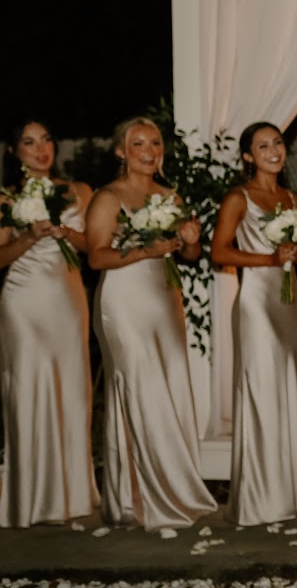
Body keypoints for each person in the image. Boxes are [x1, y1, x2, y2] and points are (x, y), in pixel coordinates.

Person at [85, 116, 216, 529]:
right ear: (121, 151)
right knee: (139, 388)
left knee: (170, 386)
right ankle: (135, 499)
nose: (148, 151)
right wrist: (144, 251)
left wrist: (191, 241)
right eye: (138, 143)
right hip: (124, 302)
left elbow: (187, 256)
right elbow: (96, 257)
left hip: (165, 299)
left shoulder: (170, 197)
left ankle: (176, 487)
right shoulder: (108, 197)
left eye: (155, 143)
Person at [211, 122, 297, 527]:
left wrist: (295, 254)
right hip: (256, 301)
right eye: (263, 146)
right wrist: (269, 259)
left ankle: (291, 493)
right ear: (248, 156)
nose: (274, 151)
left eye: (278, 143)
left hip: (290, 301)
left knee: (288, 389)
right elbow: (220, 252)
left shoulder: (294, 198)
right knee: (261, 392)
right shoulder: (239, 198)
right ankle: (260, 498)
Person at [0, 119, 97, 527]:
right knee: (28, 389)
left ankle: (72, 494)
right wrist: (30, 236)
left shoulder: (79, 191)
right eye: (29, 142)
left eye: (45, 140)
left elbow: (94, 246)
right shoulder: (6, 198)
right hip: (24, 302)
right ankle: (30, 496)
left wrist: (65, 232)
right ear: (15, 151)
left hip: (69, 299)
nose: (40, 149)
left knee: (73, 390)